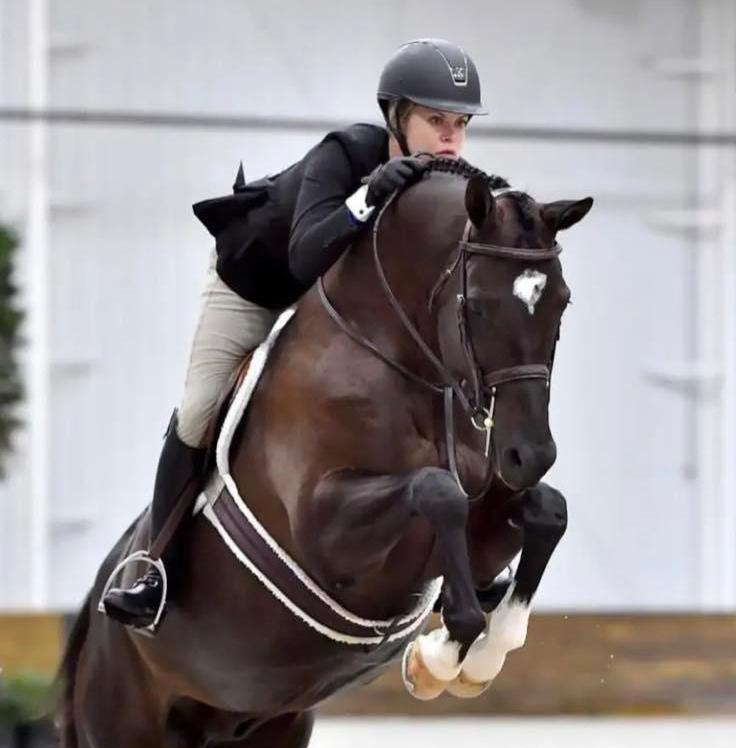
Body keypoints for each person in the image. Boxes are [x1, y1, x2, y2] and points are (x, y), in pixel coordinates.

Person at [102, 38, 487, 630]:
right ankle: (152, 565)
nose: (449, 139)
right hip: (256, 284)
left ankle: (456, 559)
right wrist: (369, 196)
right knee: (201, 410)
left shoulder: (443, 178)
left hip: (331, 305)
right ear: (395, 117)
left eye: (459, 125)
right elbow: (307, 255)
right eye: (435, 121)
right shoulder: (346, 152)